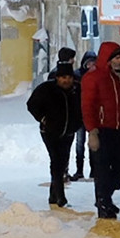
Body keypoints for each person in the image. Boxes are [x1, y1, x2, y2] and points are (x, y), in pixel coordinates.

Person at [80, 42, 120, 220]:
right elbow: (88, 105)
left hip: (118, 128)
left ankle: (106, 196)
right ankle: (103, 202)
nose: (119, 61)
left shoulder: (118, 76)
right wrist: (92, 131)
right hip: (102, 129)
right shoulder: (93, 78)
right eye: (116, 57)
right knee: (102, 169)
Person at [26, 62, 81, 208]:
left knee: (62, 162)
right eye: (63, 77)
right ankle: (61, 196)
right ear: (57, 78)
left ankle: (53, 193)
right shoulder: (47, 89)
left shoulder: (77, 90)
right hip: (50, 132)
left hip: (68, 131)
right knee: (56, 160)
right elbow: (31, 105)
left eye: (69, 77)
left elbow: (82, 107)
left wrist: (78, 124)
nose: (66, 80)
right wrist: (43, 119)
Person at [70, 50, 95, 179]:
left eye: (93, 63)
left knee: (92, 144)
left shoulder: (96, 77)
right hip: (80, 115)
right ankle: (79, 170)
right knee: (80, 144)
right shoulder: (78, 76)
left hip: (92, 115)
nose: (91, 66)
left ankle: (93, 170)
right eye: (89, 63)